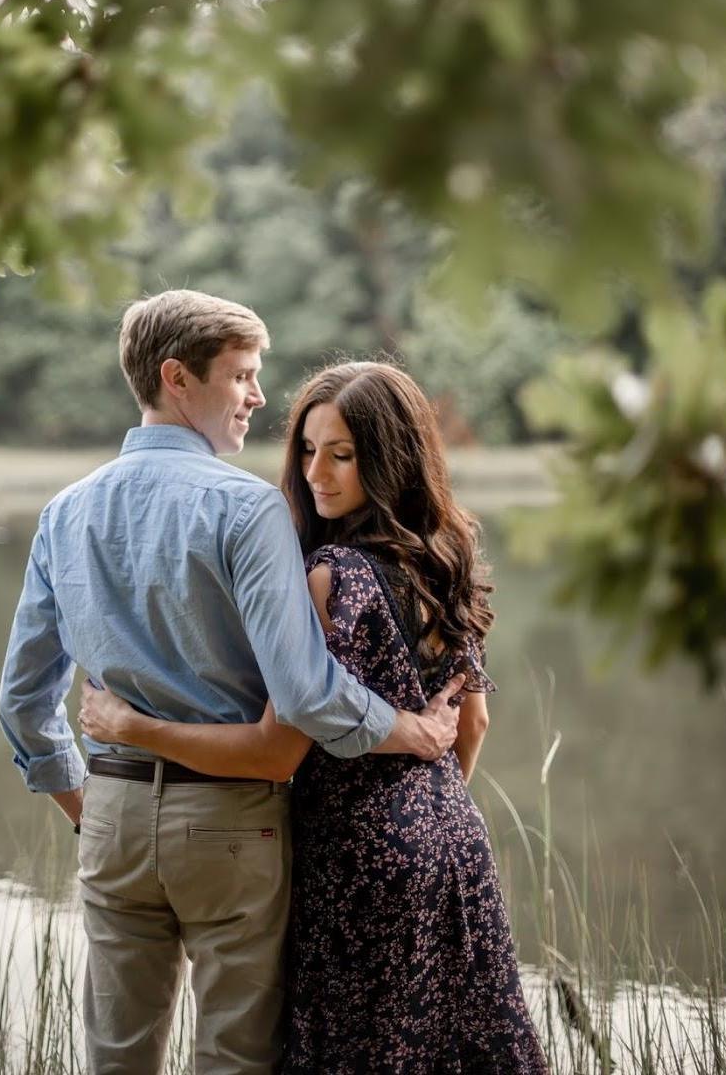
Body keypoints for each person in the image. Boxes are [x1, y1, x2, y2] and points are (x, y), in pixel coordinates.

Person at [0, 293, 464, 1075]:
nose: (257, 396)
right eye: (243, 376)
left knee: (114, 1057)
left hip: (109, 814)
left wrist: (88, 805)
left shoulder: (64, 513)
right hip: (230, 824)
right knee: (234, 1059)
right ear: (178, 378)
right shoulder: (248, 510)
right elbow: (308, 695)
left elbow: (22, 701)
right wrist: (408, 729)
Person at [80, 361, 550, 1074]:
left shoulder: (331, 575)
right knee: (454, 1050)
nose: (317, 473)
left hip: (354, 857)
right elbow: (474, 723)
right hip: (455, 842)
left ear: (389, 458)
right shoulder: (448, 555)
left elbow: (277, 749)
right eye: (307, 450)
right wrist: (425, 812)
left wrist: (133, 727)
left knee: (356, 1053)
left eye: (341, 454)